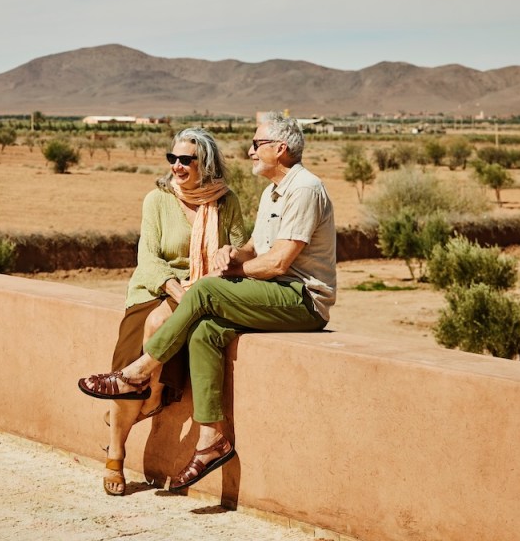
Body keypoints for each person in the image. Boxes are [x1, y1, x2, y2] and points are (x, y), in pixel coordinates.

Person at [78, 111, 336, 492]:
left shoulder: (302, 190)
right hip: (168, 290)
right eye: (173, 159)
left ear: (279, 149)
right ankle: (211, 439)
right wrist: (233, 255)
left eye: (257, 143)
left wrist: (223, 274)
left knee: (204, 293)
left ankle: (139, 374)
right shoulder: (271, 191)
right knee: (206, 333)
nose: (250, 150)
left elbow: (279, 261)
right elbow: (252, 248)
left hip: (296, 296)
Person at [92, 127, 247, 496]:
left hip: (205, 288)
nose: (177, 166)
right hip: (155, 288)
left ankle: (156, 395)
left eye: (186, 160)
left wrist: (230, 257)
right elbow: (147, 258)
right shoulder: (157, 200)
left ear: (205, 163)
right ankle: (116, 453)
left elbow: (242, 248)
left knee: (163, 337)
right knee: (130, 356)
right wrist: (173, 286)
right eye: (172, 159)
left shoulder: (226, 201)